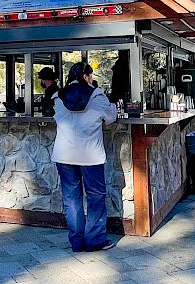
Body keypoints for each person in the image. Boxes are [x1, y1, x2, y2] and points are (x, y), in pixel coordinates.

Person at [51, 61, 117, 252]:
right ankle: (95, 240)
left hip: (64, 155)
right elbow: (111, 116)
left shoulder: (58, 97)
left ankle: (77, 242)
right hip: (90, 156)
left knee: (72, 199)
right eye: (91, 76)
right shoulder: (97, 96)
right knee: (95, 197)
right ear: (87, 77)